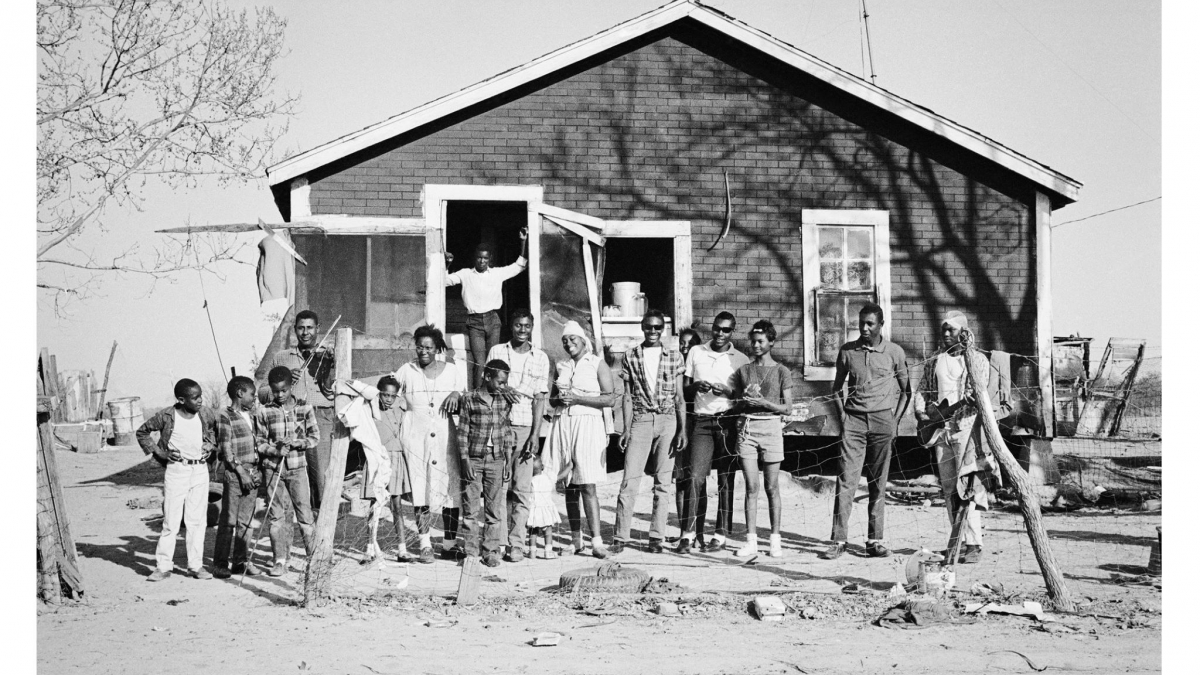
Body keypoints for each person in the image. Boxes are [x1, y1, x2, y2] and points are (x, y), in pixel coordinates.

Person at [913, 311, 1004, 564]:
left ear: (963, 333)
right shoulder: (935, 360)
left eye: (950, 330)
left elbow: (980, 393)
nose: (945, 334)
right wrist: (921, 412)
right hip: (941, 430)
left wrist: (968, 404)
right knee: (950, 489)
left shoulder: (976, 361)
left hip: (966, 428)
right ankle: (958, 542)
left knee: (969, 486)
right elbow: (922, 389)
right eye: (943, 329)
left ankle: (974, 544)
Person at [823, 303, 911, 560]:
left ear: (881, 325)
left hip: (883, 422)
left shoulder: (894, 352)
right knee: (846, 480)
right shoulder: (847, 351)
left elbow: (907, 391)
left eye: (870, 324)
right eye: (861, 323)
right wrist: (842, 415)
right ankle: (839, 540)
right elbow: (836, 387)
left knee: (878, 482)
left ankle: (875, 540)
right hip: (854, 423)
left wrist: (895, 421)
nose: (864, 328)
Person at [613, 310, 688, 555]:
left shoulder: (674, 356)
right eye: (648, 327)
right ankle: (620, 536)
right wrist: (624, 428)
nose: (653, 332)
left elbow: (679, 396)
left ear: (663, 329)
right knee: (629, 480)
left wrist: (682, 429)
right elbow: (626, 395)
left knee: (663, 483)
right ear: (642, 328)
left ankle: (656, 537)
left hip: (667, 420)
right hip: (641, 419)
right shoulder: (631, 355)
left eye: (657, 327)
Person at [392, 324, 465, 563]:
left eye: (428, 347)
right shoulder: (407, 369)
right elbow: (389, 391)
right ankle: (424, 544)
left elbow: (463, 395)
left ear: (438, 349)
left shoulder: (452, 370)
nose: (423, 351)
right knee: (420, 486)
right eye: (419, 347)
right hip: (415, 433)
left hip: (445, 433)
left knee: (449, 487)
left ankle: (449, 544)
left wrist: (457, 394)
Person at [136, 378, 219, 581]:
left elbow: (215, 432)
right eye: (195, 397)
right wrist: (159, 452)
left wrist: (211, 445)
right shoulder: (166, 416)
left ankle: (195, 566)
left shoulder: (205, 414)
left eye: (201, 396)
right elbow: (142, 432)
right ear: (181, 399)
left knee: (197, 521)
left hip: (200, 471)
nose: (200, 400)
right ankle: (163, 567)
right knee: (171, 522)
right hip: (177, 471)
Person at [546, 320, 615, 559]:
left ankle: (596, 541)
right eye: (565, 340)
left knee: (587, 483)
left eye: (572, 339)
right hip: (563, 422)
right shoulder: (561, 365)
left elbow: (609, 399)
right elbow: (552, 399)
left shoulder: (597, 363)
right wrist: (560, 399)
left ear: (584, 340)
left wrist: (577, 399)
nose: (568, 343)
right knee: (569, 485)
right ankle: (576, 540)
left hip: (588, 423)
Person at [486, 309, 551, 563]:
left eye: (526, 326)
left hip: (525, 428)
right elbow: (488, 386)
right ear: (510, 328)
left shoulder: (541, 357)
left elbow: (540, 398)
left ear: (531, 327)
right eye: (517, 325)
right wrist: (506, 389)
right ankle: (498, 541)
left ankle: (517, 544)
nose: (522, 330)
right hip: (500, 426)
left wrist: (535, 434)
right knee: (498, 487)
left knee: (522, 489)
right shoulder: (497, 352)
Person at [680, 312, 748, 553]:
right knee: (696, 477)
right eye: (717, 328)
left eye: (726, 330)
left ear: (733, 332)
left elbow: (744, 399)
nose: (720, 334)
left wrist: (728, 393)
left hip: (727, 422)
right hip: (701, 421)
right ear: (712, 328)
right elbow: (684, 391)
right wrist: (698, 386)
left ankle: (720, 534)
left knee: (725, 479)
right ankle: (688, 534)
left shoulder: (740, 359)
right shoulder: (696, 352)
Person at [731, 320, 792, 558]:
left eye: (761, 342)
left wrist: (765, 403)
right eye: (753, 341)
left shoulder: (781, 371)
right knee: (751, 487)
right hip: (747, 429)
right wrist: (743, 400)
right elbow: (736, 402)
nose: (756, 346)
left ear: (771, 342)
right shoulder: (744, 371)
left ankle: (775, 540)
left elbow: (787, 408)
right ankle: (751, 541)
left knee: (771, 487)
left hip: (771, 429)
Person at [266, 309, 336, 512]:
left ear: (318, 329)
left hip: (321, 416)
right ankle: (291, 519)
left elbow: (340, 387)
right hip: (290, 417)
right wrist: (283, 384)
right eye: (301, 328)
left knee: (320, 474)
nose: (305, 333)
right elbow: (261, 391)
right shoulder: (282, 357)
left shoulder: (328, 356)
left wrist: (332, 364)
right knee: (288, 470)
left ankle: (320, 521)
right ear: (295, 330)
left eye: (310, 328)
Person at [445, 228, 529, 388]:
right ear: (474, 258)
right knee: (480, 363)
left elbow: (519, 266)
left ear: (490, 259)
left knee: (493, 361)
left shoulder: (497, 273)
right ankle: (478, 395)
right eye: (479, 258)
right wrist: (447, 263)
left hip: (493, 320)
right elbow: (443, 280)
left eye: (485, 258)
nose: (482, 261)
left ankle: (493, 395)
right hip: (474, 322)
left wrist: (523, 241)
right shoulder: (465, 274)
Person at [256, 366, 320, 577]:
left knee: (305, 516)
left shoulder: (305, 408)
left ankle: (314, 559)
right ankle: (280, 560)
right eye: (275, 391)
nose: (280, 395)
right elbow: (259, 442)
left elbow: (314, 437)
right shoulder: (265, 411)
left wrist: (295, 443)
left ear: (290, 387)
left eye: (283, 390)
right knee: (277, 518)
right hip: (273, 470)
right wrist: (275, 449)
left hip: (297, 469)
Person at [457, 359, 516, 567]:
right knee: (471, 510)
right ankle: (471, 553)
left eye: (505, 382)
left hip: (496, 459)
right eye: (500, 382)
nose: (503, 386)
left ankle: (491, 551)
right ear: (487, 377)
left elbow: (507, 432)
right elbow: (463, 432)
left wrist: (508, 461)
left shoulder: (503, 400)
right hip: (474, 459)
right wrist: (465, 460)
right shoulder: (470, 399)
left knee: (493, 510)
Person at [213, 376, 263, 578]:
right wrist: (241, 473)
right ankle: (220, 564)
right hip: (235, 475)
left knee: (247, 521)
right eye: (252, 394)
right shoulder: (225, 416)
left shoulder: (251, 416)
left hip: (252, 472)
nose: (254, 398)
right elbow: (226, 450)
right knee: (229, 521)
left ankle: (240, 562)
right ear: (240, 393)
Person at [375, 375, 412, 562]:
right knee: (374, 504)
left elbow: (408, 397)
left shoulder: (400, 407)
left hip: (396, 457)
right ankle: (369, 547)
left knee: (396, 505)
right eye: (384, 395)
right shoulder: (372, 408)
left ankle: (402, 549)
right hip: (378, 458)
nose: (388, 399)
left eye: (392, 395)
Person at [671, 329, 703, 545]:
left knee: (696, 479)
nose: (684, 347)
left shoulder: (698, 366)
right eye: (682, 343)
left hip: (696, 425)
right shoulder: (673, 365)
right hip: (676, 425)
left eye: (689, 344)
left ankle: (697, 530)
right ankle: (684, 529)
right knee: (680, 480)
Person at [526, 452, 561, 559]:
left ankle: (532, 551)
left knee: (533, 531)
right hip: (545, 509)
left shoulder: (529, 481)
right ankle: (548, 551)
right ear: (542, 467)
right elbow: (559, 477)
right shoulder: (547, 478)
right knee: (548, 531)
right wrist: (569, 467)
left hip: (534, 509)